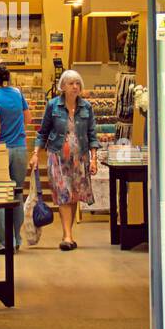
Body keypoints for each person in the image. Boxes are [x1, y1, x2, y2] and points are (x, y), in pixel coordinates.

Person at [29, 69, 98, 251]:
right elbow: (42, 132)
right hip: (57, 155)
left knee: (74, 195)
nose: (75, 87)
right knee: (63, 193)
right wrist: (36, 153)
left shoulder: (86, 108)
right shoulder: (53, 106)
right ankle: (67, 236)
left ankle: (69, 234)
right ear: (63, 87)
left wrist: (94, 159)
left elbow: (92, 135)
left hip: (80, 157)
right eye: (71, 83)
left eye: (77, 83)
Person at [0, 62, 30, 253]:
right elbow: (28, 118)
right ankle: (17, 238)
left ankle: (5, 242)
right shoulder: (17, 93)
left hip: (1, 150)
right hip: (20, 148)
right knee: (16, 194)